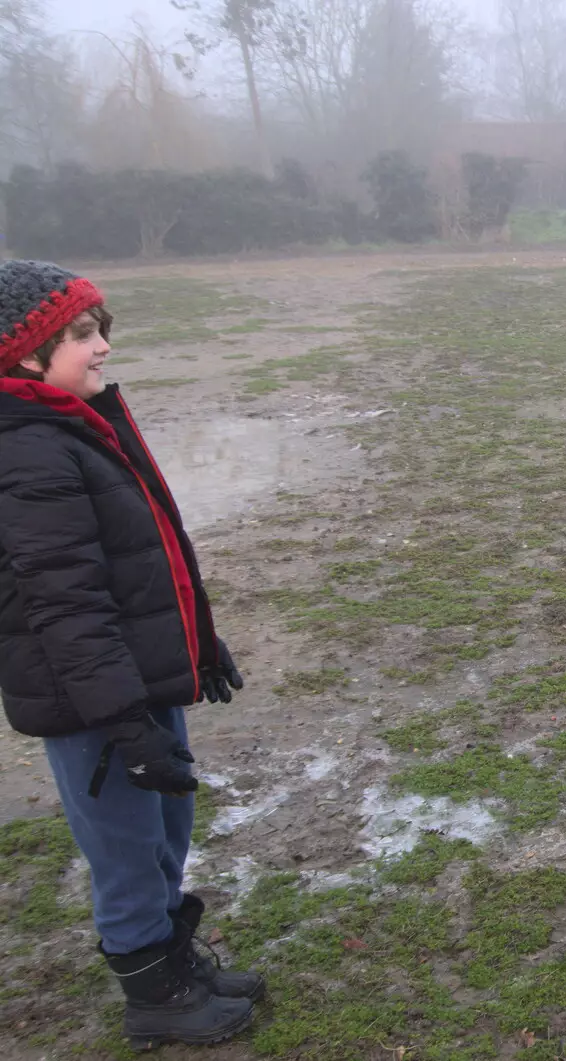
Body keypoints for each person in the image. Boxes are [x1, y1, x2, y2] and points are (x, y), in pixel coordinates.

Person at [0, 259, 262, 1046]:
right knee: (123, 849)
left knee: (164, 833)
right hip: (93, 705)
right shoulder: (29, 455)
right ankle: (155, 995)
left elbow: (144, 563)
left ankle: (177, 958)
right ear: (22, 355)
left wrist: (196, 643)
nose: (103, 346)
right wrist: (122, 722)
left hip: (131, 683)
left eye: (100, 329)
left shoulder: (74, 426)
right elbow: (66, 604)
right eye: (81, 334)